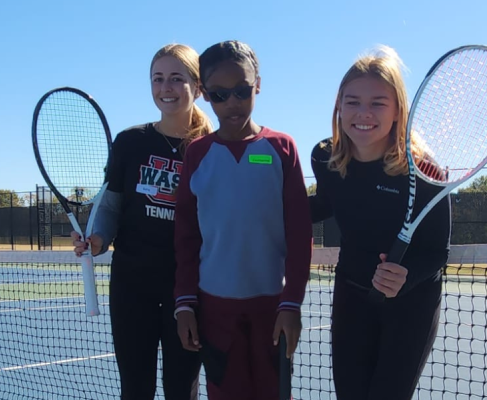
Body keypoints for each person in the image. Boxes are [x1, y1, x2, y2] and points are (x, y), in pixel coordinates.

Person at [70, 43, 213, 400]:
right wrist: (98, 239)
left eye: (176, 78)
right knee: (135, 389)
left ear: (197, 86)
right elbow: (111, 206)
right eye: (158, 78)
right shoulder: (130, 142)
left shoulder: (212, 148)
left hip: (189, 290)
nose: (165, 87)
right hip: (132, 285)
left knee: (183, 390)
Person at [172, 40, 313, 400]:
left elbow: (300, 233)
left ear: (258, 85)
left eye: (241, 90)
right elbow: (186, 235)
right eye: (219, 94)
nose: (232, 102)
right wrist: (185, 303)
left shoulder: (282, 149)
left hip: (273, 308)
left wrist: (291, 303)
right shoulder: (197, 154)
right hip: (215, 311)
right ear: (204, 94)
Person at [309, 46, 451, 400]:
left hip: (411, 306)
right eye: (353, 101)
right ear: (339, 106)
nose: (363, 113)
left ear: (398, 110)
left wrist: (406, 276)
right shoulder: (324, 157)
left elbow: (436, 253)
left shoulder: (426, 170)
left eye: (377, 103)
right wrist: (264, 206)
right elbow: (327, 203)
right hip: (351, 297)